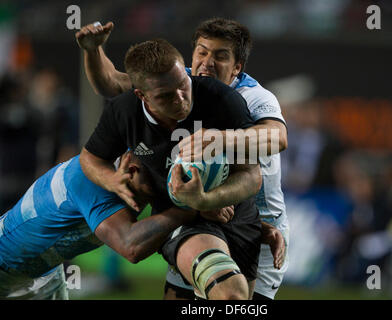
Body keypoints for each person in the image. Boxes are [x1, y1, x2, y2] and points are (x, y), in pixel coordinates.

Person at [76, 17, 289, 300]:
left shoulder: (252, 97)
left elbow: (278, 138)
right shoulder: (177, 81)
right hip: (195, 218)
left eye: (220, 56)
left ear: (237, 67)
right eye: (202, 52)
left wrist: (219, 138)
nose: (207, 62)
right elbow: (114, 84)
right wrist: (93, 51)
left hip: (254, 221)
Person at [0, 151, 230, 299]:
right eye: (156, 183)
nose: (164, 190)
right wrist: (191, 208)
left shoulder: (130, 177)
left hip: (44, 275)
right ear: (131, 167)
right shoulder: (89, 180)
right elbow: (130, 246)